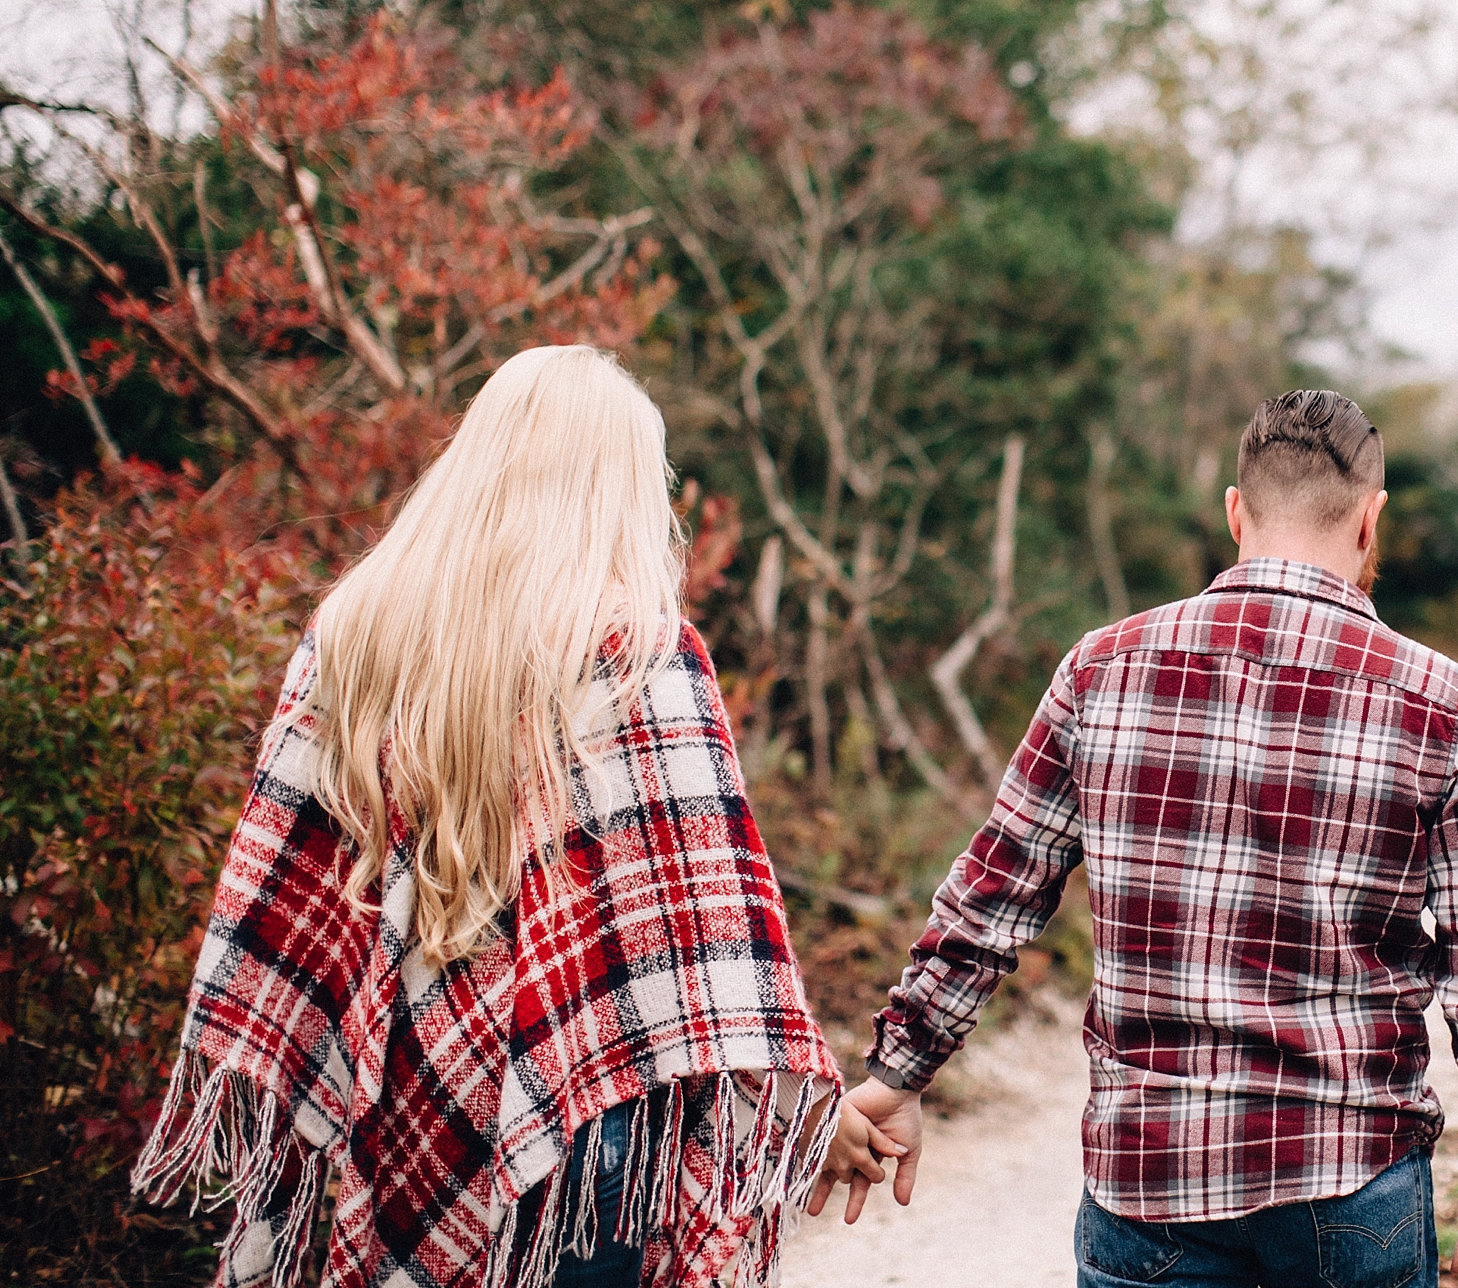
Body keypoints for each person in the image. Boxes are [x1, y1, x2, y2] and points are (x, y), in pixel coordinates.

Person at [134, 345, 900, 1288]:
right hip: (575, 1115)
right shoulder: (637, 651)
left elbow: (281, 890)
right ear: (622, 483)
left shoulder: (351, 630)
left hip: (377, 1099)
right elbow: (700, 956)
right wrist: (795, 1117)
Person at [834, 389, 1458, 1288]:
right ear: (1372, 521)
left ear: (1233, 510)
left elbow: (991, 895)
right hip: (1351, 1178)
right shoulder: (1443, 704)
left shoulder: (1100, 669)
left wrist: (898, 1071)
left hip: (1148, 1178)